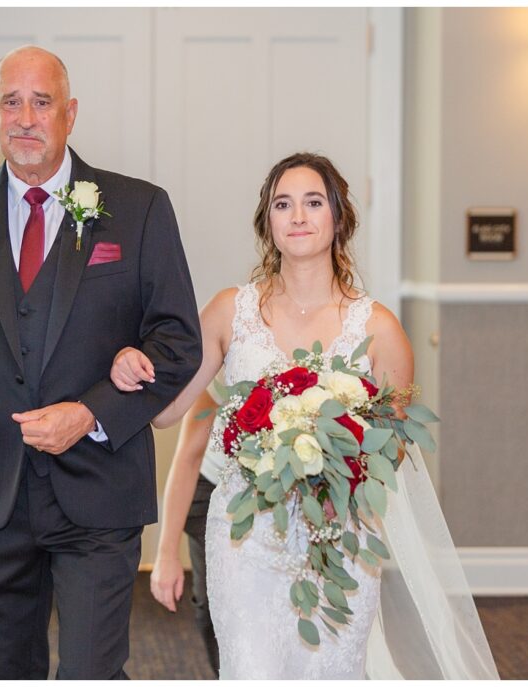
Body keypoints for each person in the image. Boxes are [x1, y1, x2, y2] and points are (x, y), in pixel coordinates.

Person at [110, 152, 499, 679]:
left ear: (339, 218)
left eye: (313, 203)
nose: (297, 216)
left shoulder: (379, 329)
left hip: (340, 540)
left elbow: (392, 452)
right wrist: (134, 365)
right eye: (282, 204)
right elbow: (167, 413)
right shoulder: (231, 311)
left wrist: (328, 455)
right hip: (245, 539)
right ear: (267, 223)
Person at [0, 45, 202, 680]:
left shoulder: (140, 209)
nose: (26, 117)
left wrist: (90, 413)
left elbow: (177, 344)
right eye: (11, 102)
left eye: (42, 102)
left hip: (99, 491)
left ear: (70, 113)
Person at [148, 387, 221, 675]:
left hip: (292, 497)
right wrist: (166, 555)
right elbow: (188, 457)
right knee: (211, 606)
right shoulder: (230, 359)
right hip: (216, 488)